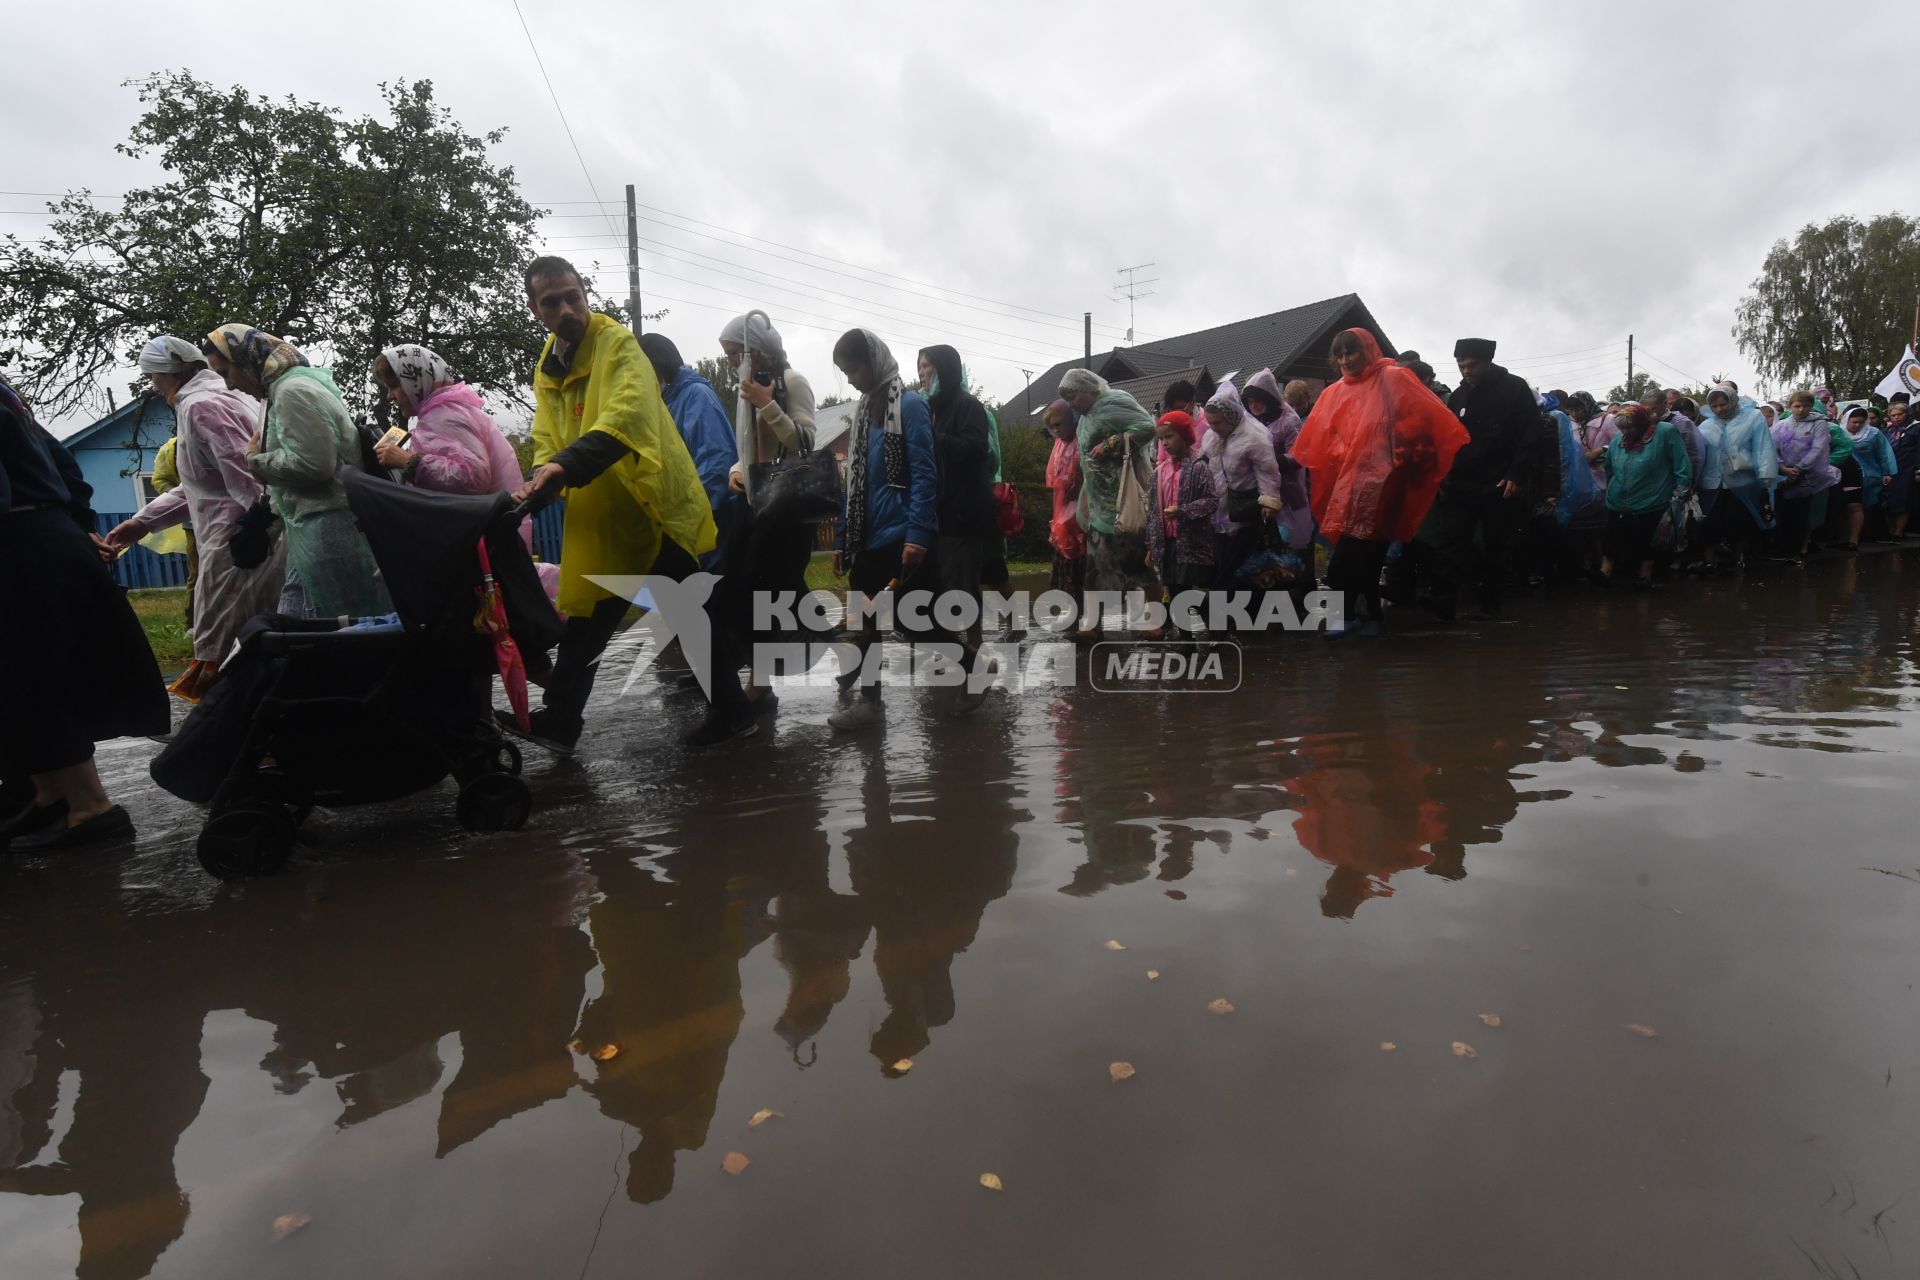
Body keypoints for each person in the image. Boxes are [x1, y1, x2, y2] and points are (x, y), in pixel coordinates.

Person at [511, 256, 719, 751]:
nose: (566, 309)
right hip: (605, 515)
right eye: (551, 301)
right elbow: (546, 432)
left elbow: (627, 413)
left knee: (685, 617)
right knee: (587, 625)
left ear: (584, 294)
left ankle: (732, 709)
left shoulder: (618, 344)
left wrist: (566, 466)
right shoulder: (549, 366)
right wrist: (544, 473)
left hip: (652, 508)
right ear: (535, 308)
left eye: (573, 296)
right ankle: (561, 721)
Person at [1, 375, 167, 851]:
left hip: (18, 547)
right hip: (48, 537)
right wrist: (77, 528)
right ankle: (51, 795)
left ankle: (91, 811)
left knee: (33, 681)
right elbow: (67, 470)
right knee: (34, 678)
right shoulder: (7, 398)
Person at [104, 336, 286, 703]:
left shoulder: (202, 406)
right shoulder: (228, 397)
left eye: (154, 378)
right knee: (242, 635)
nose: (154, 388)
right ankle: (242, 731)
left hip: (239, 546)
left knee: (227, 639)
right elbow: (203, 483)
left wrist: (260, 530)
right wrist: (143, 522)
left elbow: (248, 476)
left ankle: (233, 732)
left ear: (175, 373)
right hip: (245, 538)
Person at [204, 324, 390, 621]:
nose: (229, 386)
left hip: (329, 534)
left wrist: (255, 461)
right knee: (307, 635)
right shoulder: (283, 390)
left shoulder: (293, 390)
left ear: (247, 360)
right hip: (314, 529)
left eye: (226, 372)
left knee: (340, 634)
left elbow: (313, 465)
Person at [1293, 329, 1467, 636]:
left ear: (1367, 350)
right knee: (1355, 556)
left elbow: (1425, 418)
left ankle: (1354, 618)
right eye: (1340, 354)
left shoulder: (1393, 378)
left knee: (1363, 555)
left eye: (1352, 352)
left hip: (1384, 484)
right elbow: (1322, 436)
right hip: (1349, 485)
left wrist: (1398, 453)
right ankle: (1367, 617)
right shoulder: (1335, 392)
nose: (1345, 360)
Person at [708, 311, 816, 725]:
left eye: (736, 353)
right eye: (728, 355)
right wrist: (737, 470)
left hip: (787, 509)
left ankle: (767, 677)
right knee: (744, 587)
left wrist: (768, 403)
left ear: (757, 350)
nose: (732, 363)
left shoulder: (792, 383)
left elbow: (804, 442)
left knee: (769, 591)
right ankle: (761, 673)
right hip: (755, 506)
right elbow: (749, 447)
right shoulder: (746, 388)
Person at [828, 329, 938, 732]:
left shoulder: (909, 406)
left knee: (919, 626)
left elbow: (926, 474)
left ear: (873, 361)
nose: (852, 377)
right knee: (865, 622)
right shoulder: (863, 412)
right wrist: (842, 537)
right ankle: (870, 704)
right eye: (845, 371)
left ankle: (974, 668)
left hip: (900, 536)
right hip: (868, 538)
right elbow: (853, 484)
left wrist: (918, 535)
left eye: (854, 368)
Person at [1413, 338, 1536, 620]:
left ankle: (1490, 603)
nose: (1466, 370)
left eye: (1472, 364)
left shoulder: (1514, 389)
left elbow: (1530, 436)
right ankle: (1443, 601)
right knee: (1451, 541)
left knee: (1495, 544)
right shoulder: (1458, 396)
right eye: (1461, 365)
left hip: (1499, 483)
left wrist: (1517, 474)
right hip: (1462, 482)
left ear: (1488, 361)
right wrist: (1444, 474)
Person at [369, 343, 531, 537]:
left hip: (478, 541)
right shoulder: (447, 410)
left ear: (416, 380)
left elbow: (473, 478)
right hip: (487, 531)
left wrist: (407, 461)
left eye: (394, 386)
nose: (389, 397)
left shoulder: (445, 417)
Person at [918, 344, 997, 702]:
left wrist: (933, 438)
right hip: (936, 512)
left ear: (946, 370)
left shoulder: (968, 406)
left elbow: (977, 448)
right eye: (919, 368)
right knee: (941, 582)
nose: (922, 374)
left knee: (963, 582)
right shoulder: (925, 407)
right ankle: (952, 647)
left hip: (965, 511)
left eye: (928, 368)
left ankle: (976, 649)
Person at [1059, 368, 1157, 636]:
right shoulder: (1086, 416)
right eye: (1067, 398)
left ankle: (1157, 620)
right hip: (1099, 502)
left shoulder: (1115, 402)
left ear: (1089, 390)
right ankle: (1093, 624)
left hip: (1122, 500)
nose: (1071, 404)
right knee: (1096, 565)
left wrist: (1111, 443)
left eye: (1073, 396)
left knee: (1137, 561)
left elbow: (1148, 427)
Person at [637, 333, 739, 568]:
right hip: (682, 522)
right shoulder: (665, 402)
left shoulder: (695, 396)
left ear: (658, 366)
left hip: (708, 519)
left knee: (710, 595)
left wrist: (693, 516)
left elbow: (716, 461)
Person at [1198, 379, 1284, 590]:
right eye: (1210, 423)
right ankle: (1236, 613)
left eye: (1217, 423)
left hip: (1245, 512)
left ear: (1230, 415)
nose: (1213, 427)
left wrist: (1269, 503)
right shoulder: (1211, 436)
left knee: (1233, 569)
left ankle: (1222, 611)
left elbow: (1268, 472)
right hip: (1218, 513)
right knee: (1227, 564)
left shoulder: (1255, 437)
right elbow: (1205, 463)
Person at [1599, 404, 1691, 589]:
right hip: (1617, 499)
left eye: (1629, 427)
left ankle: (1645, 577)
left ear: (1640, 423)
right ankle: (1604, 575)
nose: (1625, 432)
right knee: (1611, 538)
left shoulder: (1665, 432)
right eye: (1622, 428)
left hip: (1650, 498)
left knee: (1646, 540)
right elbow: (1609, 466)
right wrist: (1611, 489)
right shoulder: (1619, 439)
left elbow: (1681, 463)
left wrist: (1681, 491)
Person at [1693, 383, 1778, 571]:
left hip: (1741, 481)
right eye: (1714, 406)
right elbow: (1699, 454)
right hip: (1711, 482)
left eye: (1723, 404)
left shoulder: (1753, 418)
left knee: (1738, 523)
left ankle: (1738, 559)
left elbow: (1763, 447)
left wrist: (1766, 477)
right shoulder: (1707, 424)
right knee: (1709, 523)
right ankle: (1709, 562)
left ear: (1732, 401)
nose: (1719, 409)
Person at [1145, 410, 1216, 632]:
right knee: (1175, 591)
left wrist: (1183, 511)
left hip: (1191, 542)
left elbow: (1212, 501)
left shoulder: (1199, 467)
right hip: (1167, 543)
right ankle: (1186, 640)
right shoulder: (1159, 473)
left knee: (1186, 590)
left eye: (1170, 436)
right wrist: (1150, 545)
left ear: (1185, 436)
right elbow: (1153, 513)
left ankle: (1215, 624)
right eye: (1161, 438)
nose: (1165, 443)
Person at [1241, 368, 1314, 552]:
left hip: (1288, 491)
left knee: (1292, 544)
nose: (1254, 406)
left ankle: (1299, 577)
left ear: (1269, 398)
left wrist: (1272, 462)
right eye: (1250, 402)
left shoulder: (1289, 420)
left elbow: (1298, 455)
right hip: (1259, 491)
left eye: (1258, 401)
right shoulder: (1251, 419)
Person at [1769, 390, 1836, 563]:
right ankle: (1780, 550)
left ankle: (1795, 551)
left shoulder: (1819, 423)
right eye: (1797, 406)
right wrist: (1782, 468)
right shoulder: (1781, 425)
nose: (1801, 409)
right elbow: (1771, 448)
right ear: (1790, 406)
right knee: (1781, 513)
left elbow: (1818, 448)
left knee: (1800, 515)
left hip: (1806, 476)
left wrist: (1799, 468)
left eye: (1806, 406)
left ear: (1811, 406)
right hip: (1783, 475)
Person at [1042, 398, 1087, 606]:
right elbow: (1056, 484)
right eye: (1051, 427)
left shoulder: (1083, 441)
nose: (1056, 431)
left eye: (1058, 425)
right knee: (1067, 563)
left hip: (1082, 513)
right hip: (1063, 516)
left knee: (1082, 564)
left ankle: (1087, 617)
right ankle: (1073, 611)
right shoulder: (1059, 446)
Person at [1840, 404, 1897, 543]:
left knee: (1871, 505)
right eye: (1854, 422)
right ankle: (1847, 537)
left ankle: (1871, 535)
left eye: (1861, 422)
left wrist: (1887, 472)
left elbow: (1884, 454)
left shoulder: (1873, 433)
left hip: (1871, 475)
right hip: (1847, 476)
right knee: (1850, 506)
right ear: (1846, 420)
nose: (1857, 425)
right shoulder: (1839, 433)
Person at [1881, 397, 1918, 539]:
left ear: (1907, 414)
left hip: (1907, 469)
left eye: (1899, 414)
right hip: (1888, 470)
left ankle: (1898, 532)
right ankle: (1890, 531)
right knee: (1887, 501)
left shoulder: (1915, 428)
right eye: (1893, 415)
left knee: (1903, 501)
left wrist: (1918, 469)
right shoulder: (1887, 431)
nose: (1896, 418)